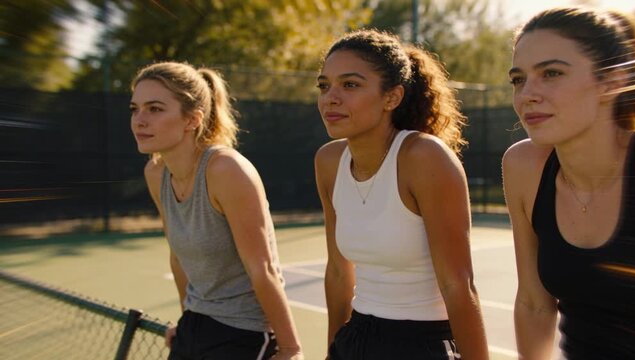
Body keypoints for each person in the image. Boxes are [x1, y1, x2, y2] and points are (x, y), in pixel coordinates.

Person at [314, 29, 489, 359]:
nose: (330, 97)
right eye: (324, 85)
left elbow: (458, 286)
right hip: (355, 337)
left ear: (391, 98)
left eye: (349, 85)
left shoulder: (424, 158)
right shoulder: (328, 161)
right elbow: (338, 271)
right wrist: (332, 349)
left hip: (421, 343)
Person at [129, 61, 303, 360]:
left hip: (245, 333)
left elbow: (262, 269)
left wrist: (291, 348)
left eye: (155, 109)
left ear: (192, 119)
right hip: (197, 323)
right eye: (135, 108)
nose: (139, 120)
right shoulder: (156, 173)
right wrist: (187, 321)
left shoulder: (226, 170)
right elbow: (178, 257)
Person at [503, 7, 635, 359]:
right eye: (518, 79)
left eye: (551, 73)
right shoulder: (524, 167)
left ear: (612, 81)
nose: (527, 94)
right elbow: (534, 304)